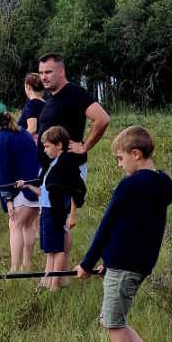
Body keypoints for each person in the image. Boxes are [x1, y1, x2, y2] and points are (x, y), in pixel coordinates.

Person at [73, 126, 172, 342]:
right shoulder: (163, 184)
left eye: (120, 159)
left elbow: (107, 225)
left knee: (113, 324)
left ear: (136, 154)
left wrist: (85, 263)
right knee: (114, 319)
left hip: (124, 264)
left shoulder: (130, 185)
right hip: (137, 263)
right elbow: (131, 228)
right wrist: (106, 259)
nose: (119, 165)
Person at [37, 53, 111, 232]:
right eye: (40, 73)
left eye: (48, 72)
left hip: (66, 171)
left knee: (61, 226)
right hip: (49, 169)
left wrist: (84, 146)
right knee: (51, 225)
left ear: (61, 71)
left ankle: (61, 260)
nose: (43, 77)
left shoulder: (75, 93)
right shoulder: (50, 97)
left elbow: (102, 119)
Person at [15, 126, 86, 291]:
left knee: (58, 250)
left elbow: (76, 190)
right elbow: (42, 192)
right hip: (45, 210)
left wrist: (70, 215)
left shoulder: (65, 164)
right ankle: (47, 282)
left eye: (47, 146)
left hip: (56, 212)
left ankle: (54, 287)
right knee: (50, 250)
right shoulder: (51, 165)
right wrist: (26, 185)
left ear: (59, 145)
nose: (45, 150)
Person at [0, 100, 40, 272]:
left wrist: (7, 199)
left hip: (21, 191)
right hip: (36, 188)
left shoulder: (1, 140)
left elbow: (4, 173)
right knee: (28, 226)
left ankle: (14, 269)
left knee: (15, 226)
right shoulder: (23, 132)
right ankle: (26, 266)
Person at [17, 73, 46, 143]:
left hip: (31, 143)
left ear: (28, 87)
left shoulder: (32, 104)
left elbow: (32, 129)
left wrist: (17, 138)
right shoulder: (45, 103)